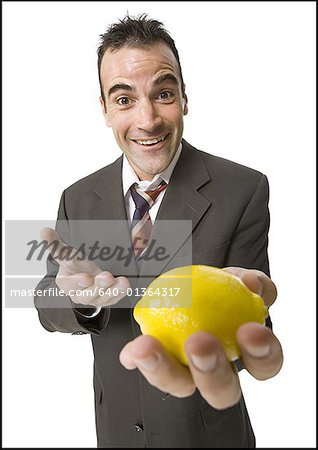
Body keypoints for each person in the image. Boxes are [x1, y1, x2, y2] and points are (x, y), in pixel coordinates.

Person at [34, 14, 283, 448]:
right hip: (116, 433)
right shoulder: (78, 197)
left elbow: (253, 321)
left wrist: (243, 327)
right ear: (106, 110)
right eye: (125, 99)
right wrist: (79, 300)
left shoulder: (243, 189)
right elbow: (43, 299)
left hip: (206, 435)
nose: (147, 120)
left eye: (163, 93)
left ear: (184, 98)